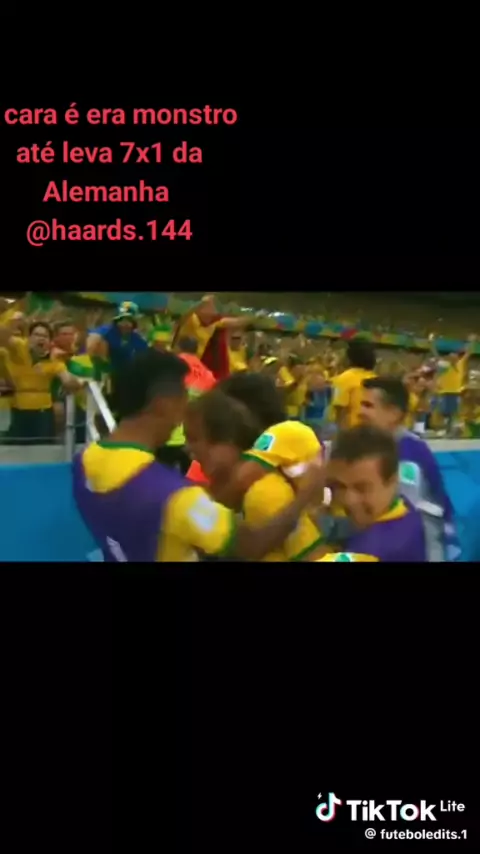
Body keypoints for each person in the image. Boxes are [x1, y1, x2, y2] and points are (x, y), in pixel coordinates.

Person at [72, 350, 326, 562]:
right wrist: (305, 495)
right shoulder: (176, 496)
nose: (186, 407)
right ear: (162, 403)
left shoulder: (83, 460)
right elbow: (250, 546)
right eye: (184, 396)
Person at [184, 388, 327, 561]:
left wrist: (304, 497)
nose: (187, 448)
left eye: (194, 439)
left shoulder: (265, 492)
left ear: (227, 441)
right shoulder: (206, 491)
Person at [358, 376, 460, 560]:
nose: (359, 412)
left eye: (368, 406)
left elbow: (408, 519)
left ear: (394, 414)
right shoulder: (377, 446)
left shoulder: (408, 453)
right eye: (360, 405)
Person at [326, 425, 427, 561]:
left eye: (361, 488)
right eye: (340, 486)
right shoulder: (404, 506)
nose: (349, 500)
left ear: (392, 482)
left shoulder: (369, 551)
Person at [0, 319, 83, 444]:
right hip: (17, 410)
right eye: (37, 335)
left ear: (50, 341)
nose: (41, 339)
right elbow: (3, 337)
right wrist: (13, 321)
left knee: (43, 446)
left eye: (45, 336)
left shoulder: (55, 362)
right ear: (29, 338)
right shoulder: (19, 348)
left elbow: (68, 380)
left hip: (43, 413)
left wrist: (73, 381)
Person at [429, 333, 476, 436]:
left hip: (457, 392)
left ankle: (451, 430)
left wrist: (471, 341)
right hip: (445, 392)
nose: (453, 357)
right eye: (451, 356)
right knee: (444, 412)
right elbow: (435, 354)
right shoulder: (444, 364)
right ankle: (443, 429)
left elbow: (468, 352)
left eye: (455, 356)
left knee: (454, 413)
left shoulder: (461, 363)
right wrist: (432, 342)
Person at [330, 339, 377, 428]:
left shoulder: (345, 378)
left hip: (351, 430)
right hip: (370, 430)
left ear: (350, 357)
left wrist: (344, 434)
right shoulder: (375, 378)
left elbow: (340, 410)